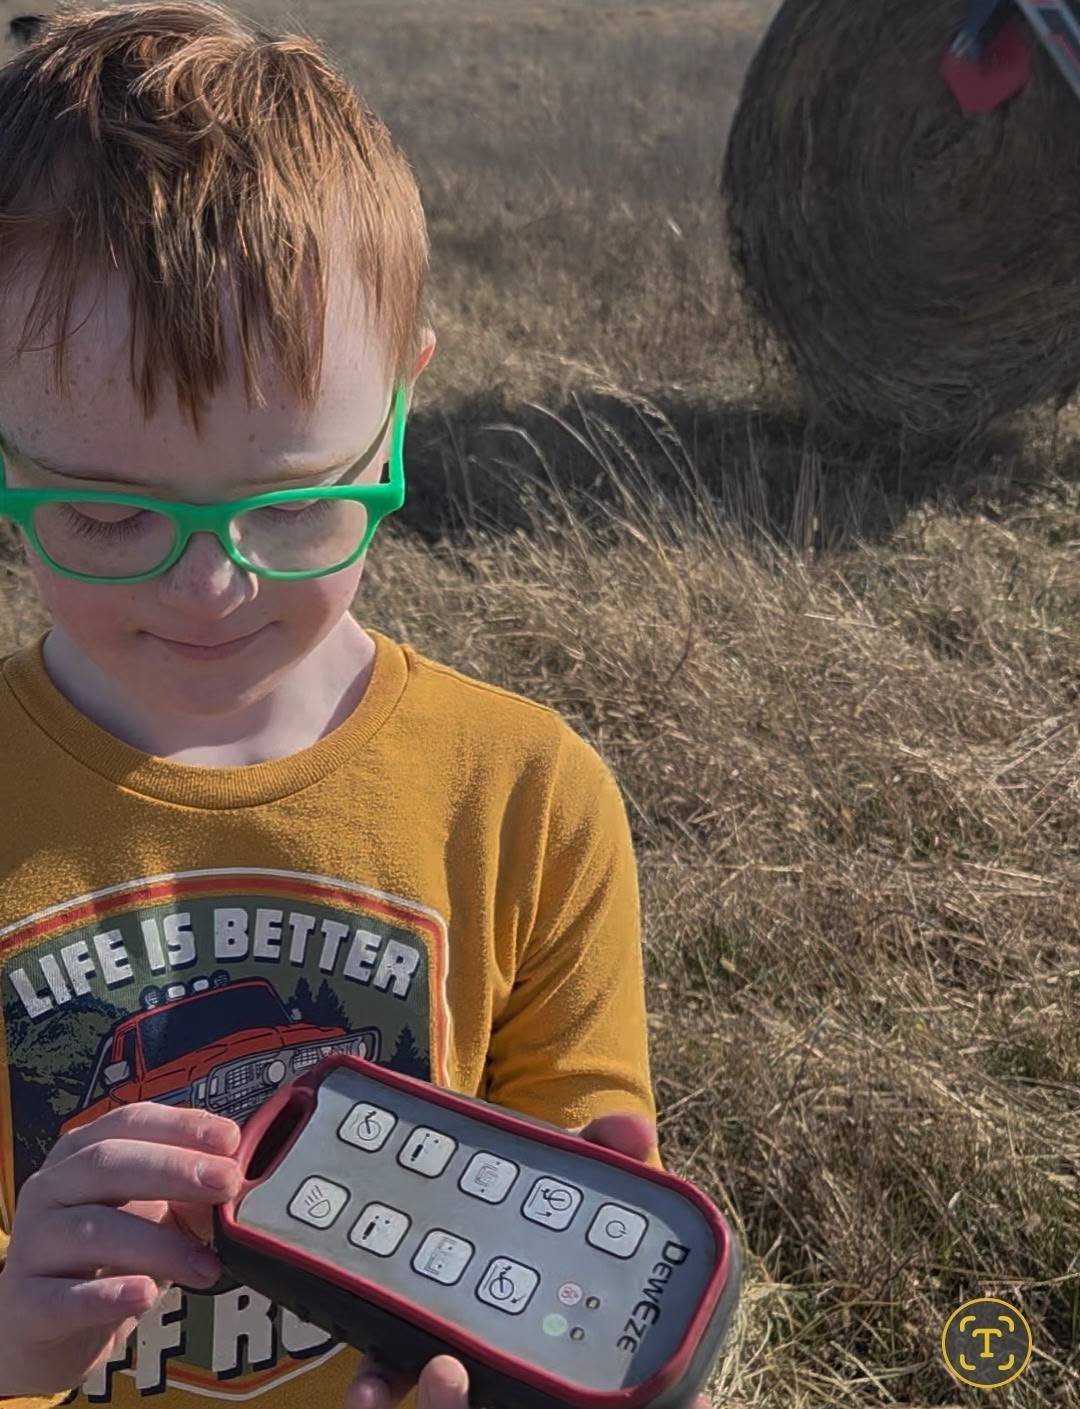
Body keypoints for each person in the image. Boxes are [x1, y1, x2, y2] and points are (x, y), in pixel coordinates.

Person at [0, 5, 681, 1409]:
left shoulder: (529, 800)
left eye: (297, 502)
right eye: (107, 514)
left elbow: (581, 1251)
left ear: (401, 412)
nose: (208, 586)